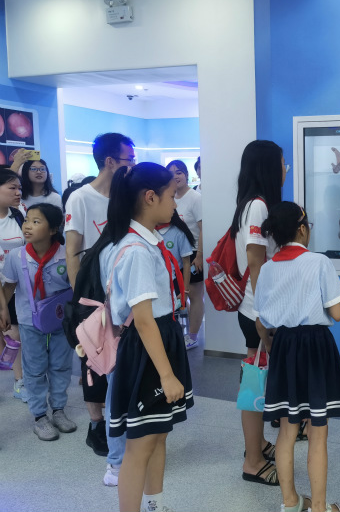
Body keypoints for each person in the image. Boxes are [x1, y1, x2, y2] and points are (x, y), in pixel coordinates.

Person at [96, 162, 193, 512]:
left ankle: (155, 505)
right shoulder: (136, 250)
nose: (175, 203)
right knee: (140, 445)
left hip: (159, 340)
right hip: (147, 348)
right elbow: (143, 320)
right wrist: (166, 375)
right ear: (150, 197)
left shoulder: (144, 241)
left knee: (158, 434)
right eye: (171, 195)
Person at [255, 201, 340, 512]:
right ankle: (320, 507)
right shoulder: (318, 262)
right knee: (317, 433)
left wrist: (270, 345)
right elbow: (337, 312)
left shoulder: (268, 268)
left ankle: (290, 502)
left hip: (284, 346)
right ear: (301, 229)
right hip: (315, 347)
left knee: (286, 430)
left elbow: (261, 320)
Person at [65, 133, 135, 476]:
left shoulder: (126, 195)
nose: (132, 165)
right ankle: (96, 426)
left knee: (120, 357)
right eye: (128, 159)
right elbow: (72, 250)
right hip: (91, 292)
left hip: (121, 289)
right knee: (93, 360)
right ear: (110, 161)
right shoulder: (81, 198)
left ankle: (119, 421)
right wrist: (81, 299)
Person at [231, 140, 285, 485]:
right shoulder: (258, 207)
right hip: (257, 313)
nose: (285, 169)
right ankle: (252, 461)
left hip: (255, 310)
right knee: (254, 385)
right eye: (282, 163)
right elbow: (255, 261)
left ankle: (259, 444)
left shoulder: (250, 204)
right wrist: (264, 315)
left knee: (258, 379)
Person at [1, 204, 77, 441]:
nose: (27, 226)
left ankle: (58, 409)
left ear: (53, 229)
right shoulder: (16, 256)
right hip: (28, 319)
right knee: (34, 368)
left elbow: (75, 287)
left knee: (61, 365)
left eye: (36, 222)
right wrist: (2, 310)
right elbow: (9, 287)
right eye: (27, 221)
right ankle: (39, 416)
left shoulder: (66, 254)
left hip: (60, 320)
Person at [166, 160, 203, 350]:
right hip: (174, 254)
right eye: (171, 173)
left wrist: (200, 255)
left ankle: (193, 336)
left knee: (195, 295)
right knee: (180, 295)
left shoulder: (195, 198)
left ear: (187, 175)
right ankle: (183, 332)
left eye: (179, 172)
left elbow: (203, 228)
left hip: (194, 252)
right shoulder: (169, 196)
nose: (175, 176)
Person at [0, 167, 28, 402]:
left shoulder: (19, 215)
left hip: (15, 285)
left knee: (13, 332)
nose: (18, 192)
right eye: (12, 188)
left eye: (19, 188)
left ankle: (20, 380)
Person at [156, 210, 195, 311]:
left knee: (175, 311)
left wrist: (185, 291)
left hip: (175, 280)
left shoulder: (178, 233)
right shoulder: (150, 231)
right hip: (157, 280)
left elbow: (186, 263)